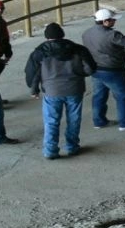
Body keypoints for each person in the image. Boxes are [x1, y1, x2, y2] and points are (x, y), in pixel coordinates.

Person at [25, 23, 97, 160]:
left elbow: (33, 73)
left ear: (47, 37)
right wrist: (79, 74)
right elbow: (90, 69)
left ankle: (51, 151)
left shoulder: (39, 53)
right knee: (74, 119)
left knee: (51, 121)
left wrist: (34, 89)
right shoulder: (78, 49)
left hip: (52, 91)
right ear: (62, 34)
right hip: (75, 88)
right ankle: (72, 147)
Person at [82, 9, 125, 131]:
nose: (114, 21)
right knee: (123, 96)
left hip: (95, 70)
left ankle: (99, 121)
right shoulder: (112, 35)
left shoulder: (87, 33)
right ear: (105, 21)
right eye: (113, 20)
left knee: (99, 96)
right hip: (113, 70)